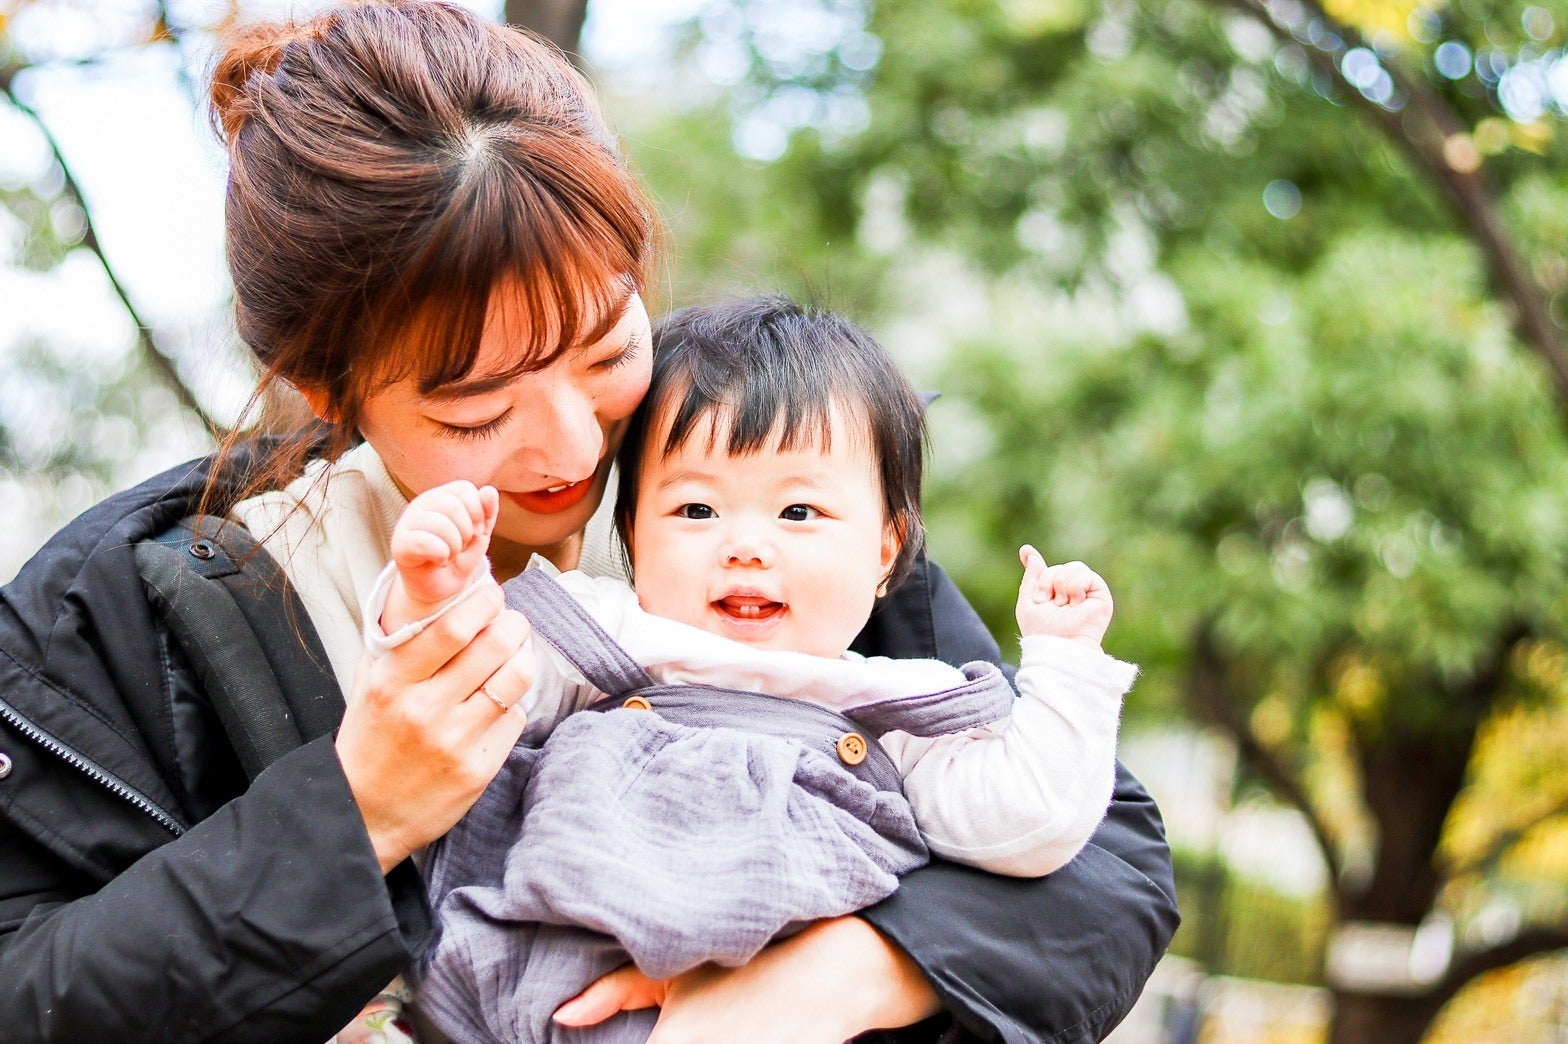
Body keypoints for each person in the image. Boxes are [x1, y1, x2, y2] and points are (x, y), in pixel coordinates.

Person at [0, 2, 1178, 1042]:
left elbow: (1104, 856)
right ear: (327, 387)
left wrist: (843, 980)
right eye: (474, 410)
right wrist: (357, 811)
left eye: (608, 346)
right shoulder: (129, 611)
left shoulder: (749, 491)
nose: (572, 449)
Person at [367, 298, 1137, 1041]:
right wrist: (436, 592)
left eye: (798, 513)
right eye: (696, 511)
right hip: (533, 984)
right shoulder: (608, 636)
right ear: (631, 535)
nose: (744, 546)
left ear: (886, 549)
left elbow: (1026, 824)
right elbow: (461, 691)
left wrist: (1066, 667)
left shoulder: (897, 702)